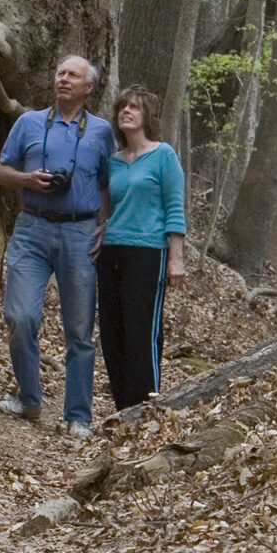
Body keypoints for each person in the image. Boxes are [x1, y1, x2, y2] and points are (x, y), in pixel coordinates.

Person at [0, 55, 114, 438]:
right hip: (31, 228)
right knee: (20, 316)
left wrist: (105, 225)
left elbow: (109, 184)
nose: (63, 79)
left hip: (80, 234)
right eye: (59, 72)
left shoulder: (101, 132)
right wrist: (28, 179)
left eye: (72, 75)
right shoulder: (28, 122)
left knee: (79, 329)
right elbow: (1, 171)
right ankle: (29, 398)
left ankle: (78, 416)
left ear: (88, 87)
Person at [96, 85, 186, 412]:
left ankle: (146, 408)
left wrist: (176, 258)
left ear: (147, 115)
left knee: (141, 331)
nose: (127, 112)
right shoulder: (114, 162)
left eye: (134, 107)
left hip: (148, 252)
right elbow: (105, 208)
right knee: (111, 332)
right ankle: (123, 409)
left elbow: (175, 207)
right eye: (122, 107)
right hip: (110, 252)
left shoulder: (163, 155)